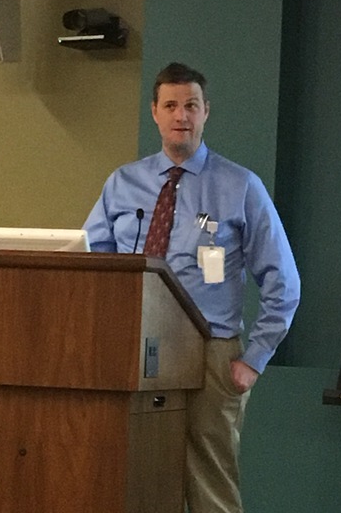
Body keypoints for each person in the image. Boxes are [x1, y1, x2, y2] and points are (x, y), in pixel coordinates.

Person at [83, 62, 300, 513]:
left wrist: (254, 359)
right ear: (154, 112)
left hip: (210, 352)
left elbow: (283, 280)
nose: (181, 115)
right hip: (135, 350)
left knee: (209, 482)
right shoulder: (123, 183)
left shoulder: (240, 186)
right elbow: (91, 265)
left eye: (191, 106)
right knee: (135, 475)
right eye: (170, 106)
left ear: (206, 112)